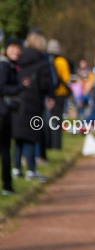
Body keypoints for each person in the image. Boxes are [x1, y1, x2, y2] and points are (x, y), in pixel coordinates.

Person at [11, 32, 53, 181]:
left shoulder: (19, 60)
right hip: (34, 102)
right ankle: (31, 169)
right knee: (31, 136)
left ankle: (16, 168)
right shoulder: (41, 62)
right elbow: (45, 84)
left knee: (19, 137)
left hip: (18, 101)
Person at [0, 38, 22, 195]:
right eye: (13, 47)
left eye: (18, 48)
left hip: (5, 112)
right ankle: (7, 185)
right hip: (2, 112)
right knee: (5, 149)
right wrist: (20, 88)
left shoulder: (10, 65)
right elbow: (3, 87)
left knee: (6, 149)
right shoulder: (4, 65)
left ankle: (8, 185)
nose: (17, 51)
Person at [46, 40, 72, 150]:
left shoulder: (45, 60)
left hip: (48, 93)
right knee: (57, 120)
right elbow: (66, 79)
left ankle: (48, 145)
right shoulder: (62, 61)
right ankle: (56, 146)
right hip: (60, 93)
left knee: (47, 120)